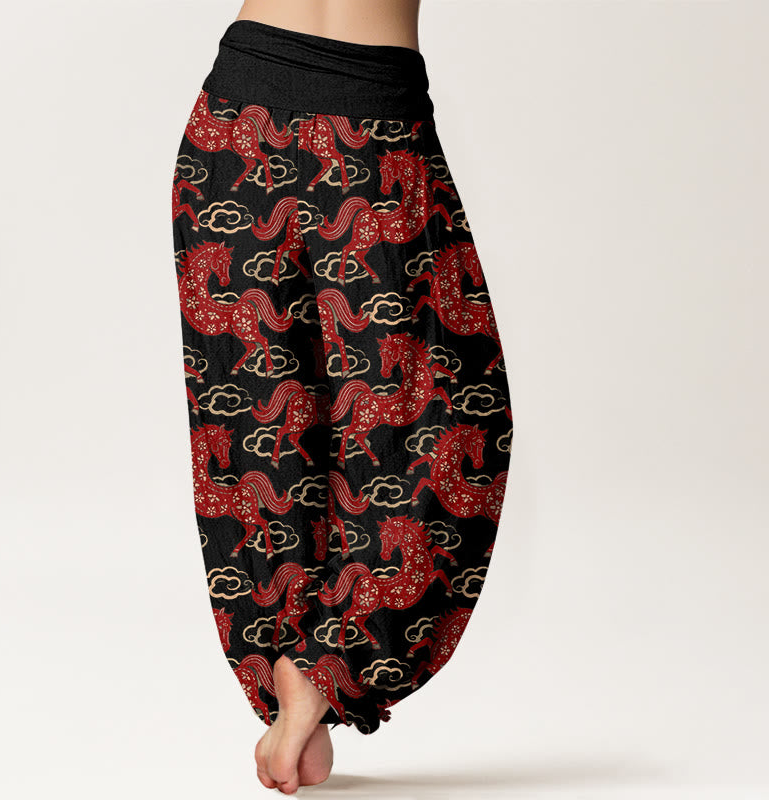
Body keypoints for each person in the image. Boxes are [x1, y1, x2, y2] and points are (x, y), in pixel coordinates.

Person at [171, 0, 514, 793]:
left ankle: (303, 684)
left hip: (235, 125)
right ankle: (311, 677)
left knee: (264, 425)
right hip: (364, 137)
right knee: (426, 419)